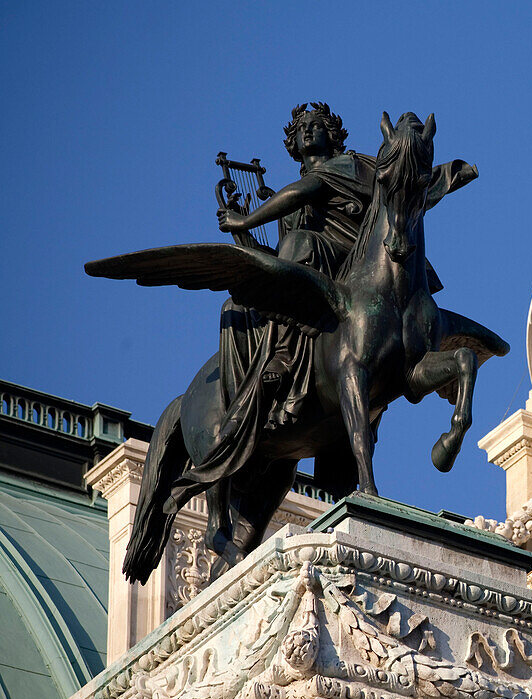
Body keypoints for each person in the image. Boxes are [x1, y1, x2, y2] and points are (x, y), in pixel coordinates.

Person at [187, 103, 477, 491]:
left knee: (299, 242)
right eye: (301, 128)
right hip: (322, 274)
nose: (308, 131)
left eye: (316, 125)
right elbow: (277, 259)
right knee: (241, 302)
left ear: (333, 133)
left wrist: (245, 219)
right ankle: (269, 375)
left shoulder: (349, 166)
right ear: (292, 141)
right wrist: (247, 243)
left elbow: (303, 193)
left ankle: (284, 355)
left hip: (355, 264)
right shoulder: (304, 191)